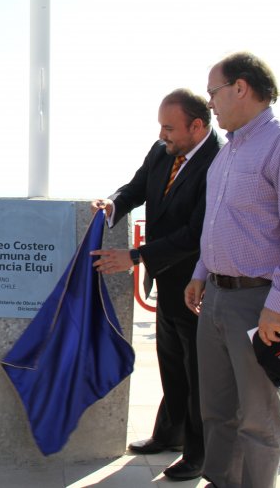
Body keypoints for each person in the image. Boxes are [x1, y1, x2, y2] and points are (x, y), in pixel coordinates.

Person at [184, 52, 280, 488]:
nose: (210, 103)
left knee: (258, 419)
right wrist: (201, 272)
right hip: (216, 300)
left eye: (214, 92)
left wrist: (277, 307)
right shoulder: (225, 156)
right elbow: (217, 224)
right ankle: (220, 481)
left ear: (241, 88)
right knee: (217, 410)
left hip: (259, 303)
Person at [90, 89, 222, 481]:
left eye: (169, 127)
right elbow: (135, 189)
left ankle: (197, 454)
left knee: (197, 371)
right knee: (171, 363)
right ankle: (169, 433)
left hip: (198, 285)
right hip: (165, 281)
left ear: (197, 126)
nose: (163, 134)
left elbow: (196, 233)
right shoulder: (161, 151)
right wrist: (112, 205)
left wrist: (135, 256)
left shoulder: (218, 160)